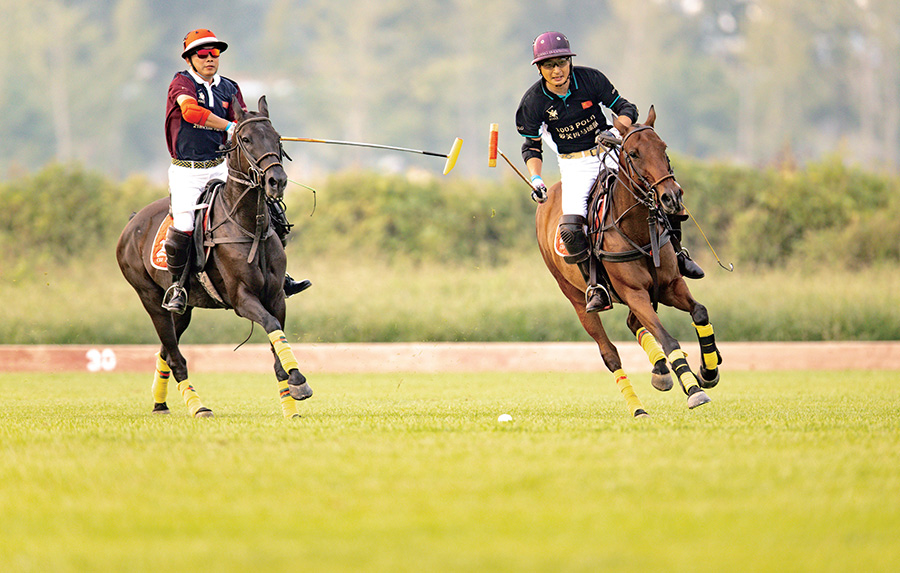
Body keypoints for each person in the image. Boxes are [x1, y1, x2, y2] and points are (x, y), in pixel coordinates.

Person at [515, 32, 703, 313]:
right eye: (549, 65)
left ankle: (678, 254)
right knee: (571, 229)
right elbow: (531, 147)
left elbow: (626, 108)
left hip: (610, 153)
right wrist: (537, 179)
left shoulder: (591, 80)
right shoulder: (533, 102)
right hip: (574, 165)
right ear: (540, 68)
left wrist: (613, 132)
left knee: (662, 194)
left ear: (570, 61)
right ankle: (595, 285)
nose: (557, 70)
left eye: (562, 62)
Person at [162, 28, 310, 314]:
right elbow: (191, 112)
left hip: (221, 167)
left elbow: (243, 121)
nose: (210, 59)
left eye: (214, 53)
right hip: (187, 171)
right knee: (183, 226)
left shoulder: (228, 88)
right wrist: (229, 126)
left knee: (270, 212)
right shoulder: (181, 83)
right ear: (190, 59)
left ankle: (280, 277)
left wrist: (263, 132)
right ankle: (178, 286)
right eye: (203, 54)